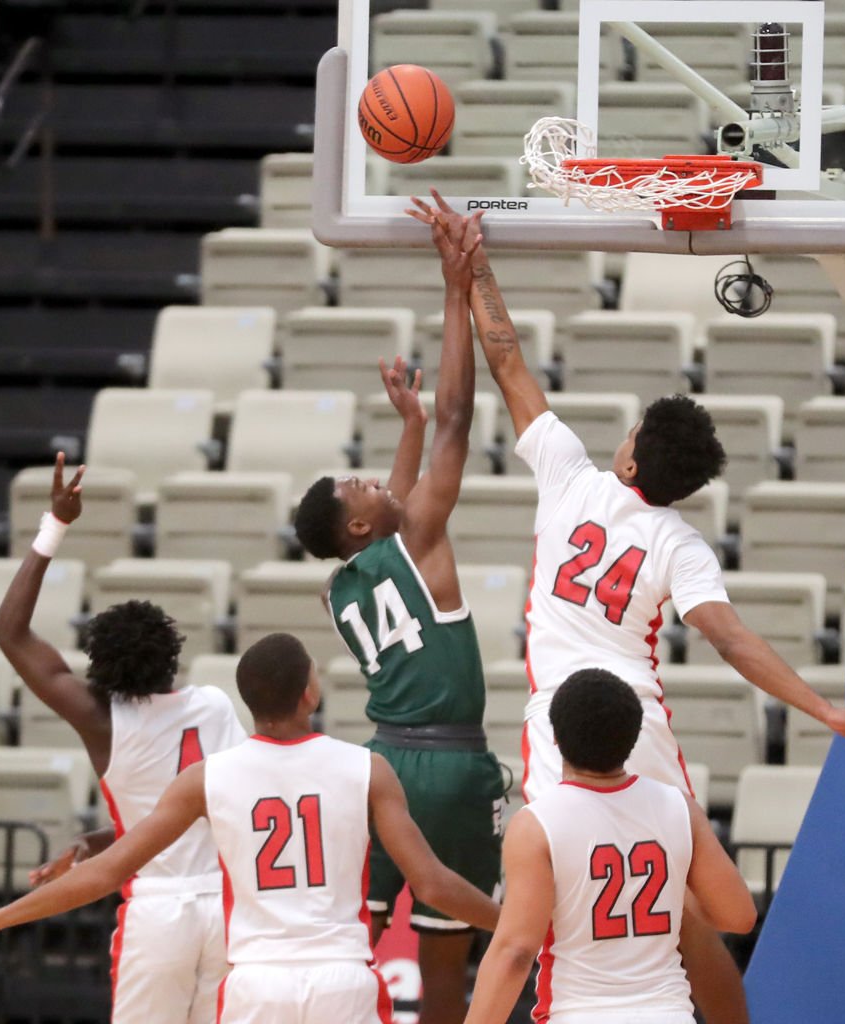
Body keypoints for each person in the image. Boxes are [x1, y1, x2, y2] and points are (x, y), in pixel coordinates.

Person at [407, 191, 845, 1024]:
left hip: (567, 717)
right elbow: (730, 641)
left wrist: (471, 266)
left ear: (628, 453)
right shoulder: (681, 546)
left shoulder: (568, 474)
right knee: (690, 903)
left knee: (550, 905)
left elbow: (508, 358)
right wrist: (821, 708)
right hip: (643, 726)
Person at [0, 633, 502, 1024]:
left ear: (249, 703)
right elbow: (431, 885)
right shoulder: (366, 768)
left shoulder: (205, 780)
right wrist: (517, 924)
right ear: (312, 693)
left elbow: (108, 872)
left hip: (257, 984)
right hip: (341, 977)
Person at [292, 213, 505, 1024]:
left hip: (377, 764)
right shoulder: (412, 539)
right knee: (446, 959)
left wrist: (405, 429)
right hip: (447, 772)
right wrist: (455, 292)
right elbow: (458, 420)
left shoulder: (341, 587)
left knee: (355, 938)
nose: (374, 483)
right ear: (357, 525)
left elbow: (394, 517)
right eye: (361, 485)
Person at [0, 453, 246, 1024]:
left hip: (158, 910)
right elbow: (209, 808)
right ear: (171, 652)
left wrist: (54, 527)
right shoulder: (214, 704)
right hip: (228, 908)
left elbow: (9, 631)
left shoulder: (102, 720)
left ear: (101, 663)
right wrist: (100, 839)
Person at [463, 668, 757, 1024]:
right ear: (633, 738)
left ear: (554, 736)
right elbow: (739, 916)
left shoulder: (537, 824)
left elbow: (516, 951)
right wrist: (673, 887)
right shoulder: (679, 807)